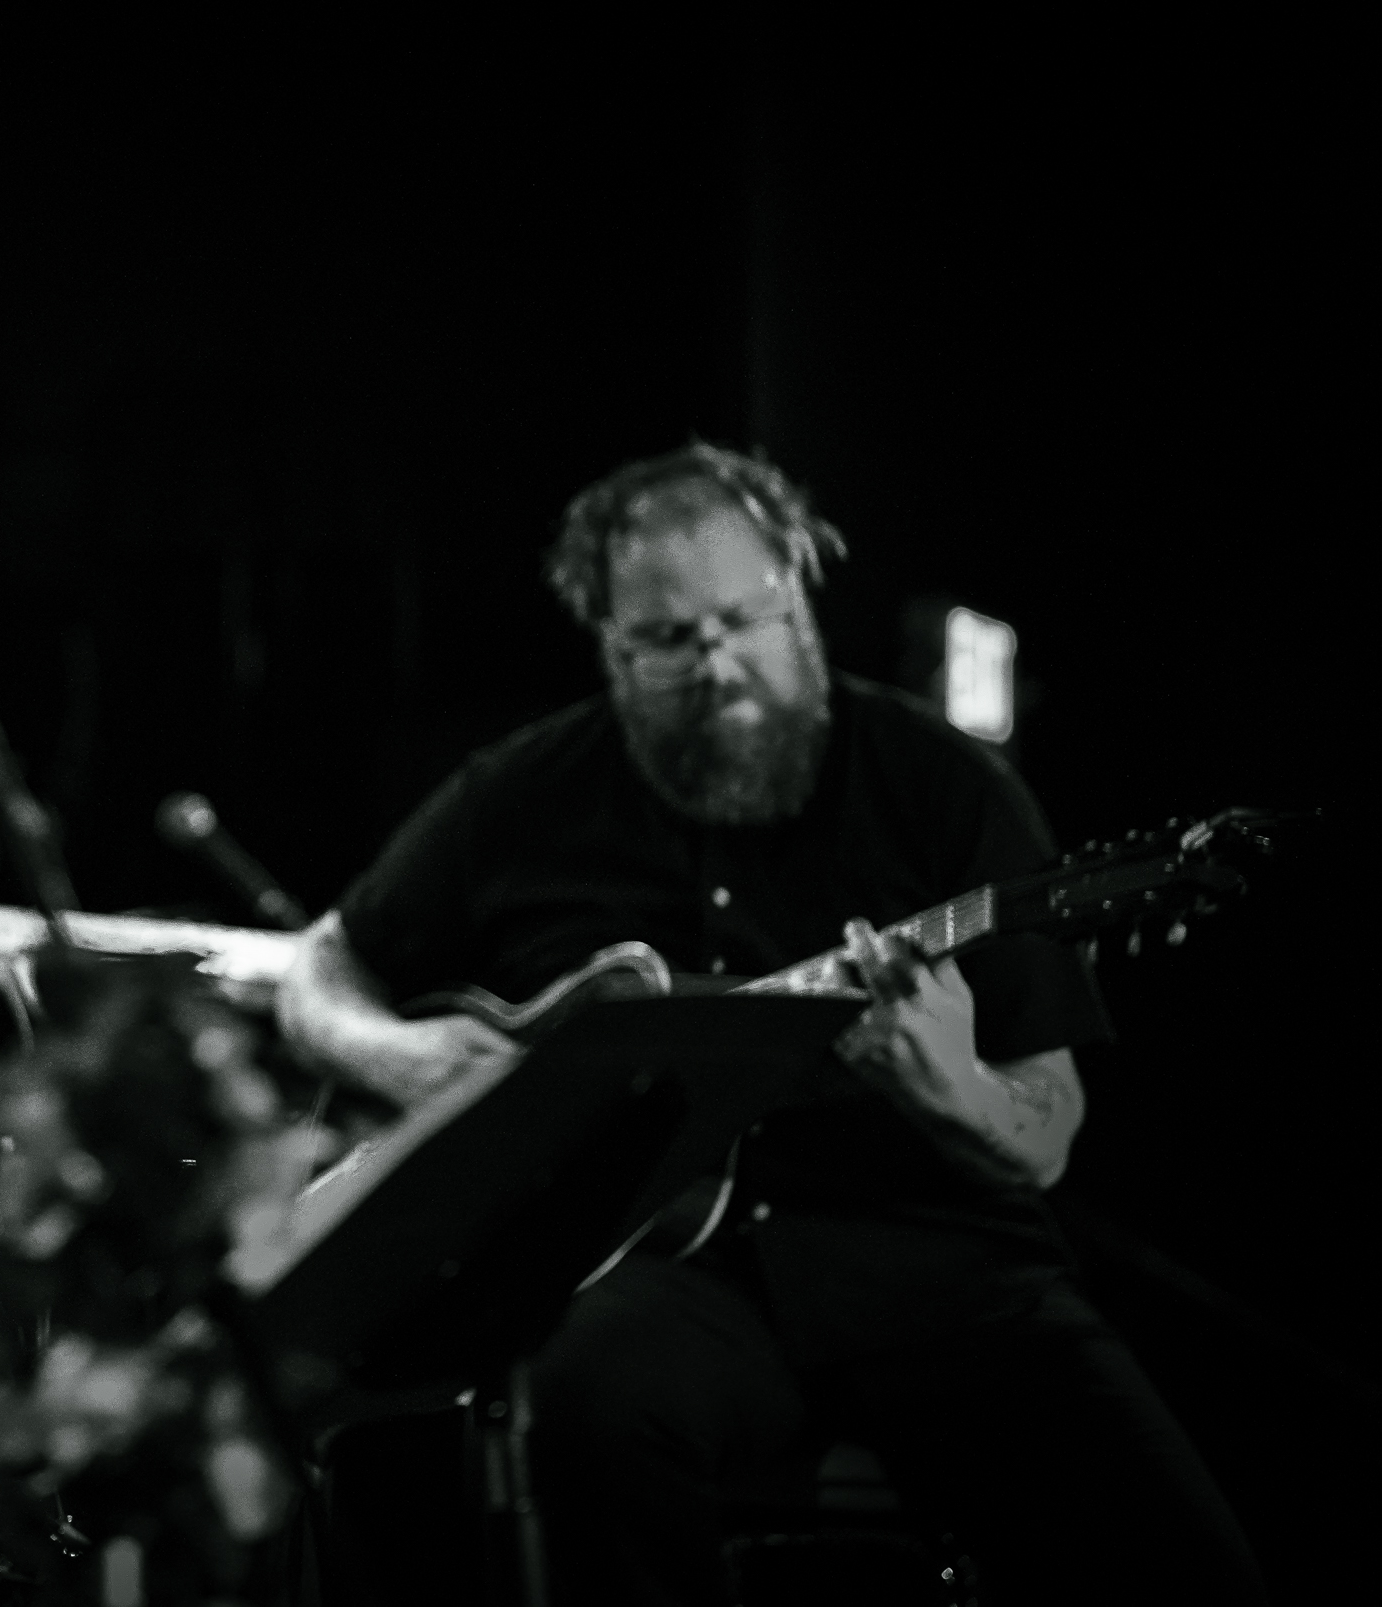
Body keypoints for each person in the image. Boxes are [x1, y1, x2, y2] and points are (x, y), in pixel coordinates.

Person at [275, 445, 1263, 1604]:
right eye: (670, 640)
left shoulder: (946, 788)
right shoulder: (524, 791)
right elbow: (317, 967)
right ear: (606, 638)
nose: (720, 664)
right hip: (677, 1281)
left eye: (748, 617)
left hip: (942, 1269)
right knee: (580, 1407)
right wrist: (396, 1051)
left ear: (798, 587)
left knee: (1181, 1559)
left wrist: (956, 1092)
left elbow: (1047, 1132)